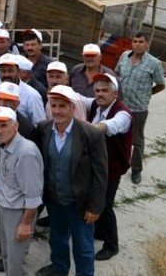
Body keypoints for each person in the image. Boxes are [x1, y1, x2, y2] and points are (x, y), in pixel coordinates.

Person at [35, 85, 108, 276]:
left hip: (80, 204)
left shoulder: (91, 134)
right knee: (57, 239)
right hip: (54, 200)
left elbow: (101, 174)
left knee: (83, 246)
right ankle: (59, 267)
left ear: (72, 108)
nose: (57, 111)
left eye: (62, 106)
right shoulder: (44, 128)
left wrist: (95, 207)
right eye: (54, 105)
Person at [0, 106, 43, 275]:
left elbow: (33, 196)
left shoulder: (26, 153)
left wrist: (25, 224)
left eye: (3, 125)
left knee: (15, 264)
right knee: (6, 256)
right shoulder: (5, 144)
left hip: (18, 214)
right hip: (4, 208)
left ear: (16, 125)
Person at [88, 73, 132, 261]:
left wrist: (83, 128)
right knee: (97, 201)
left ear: (115, 94)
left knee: (105, 206)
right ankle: (99, 232)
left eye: (105, 90)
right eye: (97, 90)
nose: (100, 94)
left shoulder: (123, 114)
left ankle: (112, 245)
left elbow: (109, 126)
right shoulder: (96, 107)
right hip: (97, 167)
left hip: (112, 169)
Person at [115, 31, 166, 184]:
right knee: (117, 136)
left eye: (141, 41)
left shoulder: (154, 63)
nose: (137, 44)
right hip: (120, 105)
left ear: (147, 44)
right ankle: (118, 162)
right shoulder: (124, 56)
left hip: (138, 109)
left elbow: (161, 85)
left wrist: (147, 94)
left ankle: (136, 169)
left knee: (136, 141)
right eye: (135, 41)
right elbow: (117, 74)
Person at [0, 54, 45, 126]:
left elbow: (40, 126)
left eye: (10, 71)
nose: (6, 75)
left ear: (18, 71)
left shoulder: (32, 95)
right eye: (3, 71)